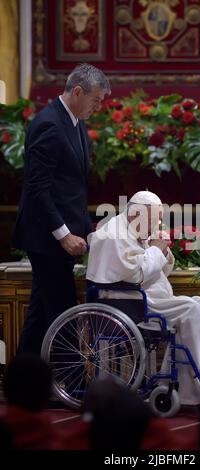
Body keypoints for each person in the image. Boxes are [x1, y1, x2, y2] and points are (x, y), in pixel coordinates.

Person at [86, 190, 200, 405]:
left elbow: (157, 270)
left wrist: (161, 251)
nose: (156, 225)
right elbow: (134, 275)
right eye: (153, 219)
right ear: (135, 213)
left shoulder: (134, 227)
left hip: (146, 296)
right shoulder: (113, 235)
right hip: (128, 301)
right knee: (192, 309)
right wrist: (155, 250)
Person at [13, 63, 111, 355]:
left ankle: (25, 382)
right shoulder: (49, 124)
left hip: (62, 234)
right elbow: (37, 189)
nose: (98, 106)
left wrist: (88, 230)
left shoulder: (76, 122)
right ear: (77, 91)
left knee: (41, 312)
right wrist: (64, 235)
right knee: (62, 311)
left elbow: (73, 191)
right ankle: (73, 383)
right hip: (47, 237)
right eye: (96, 100)